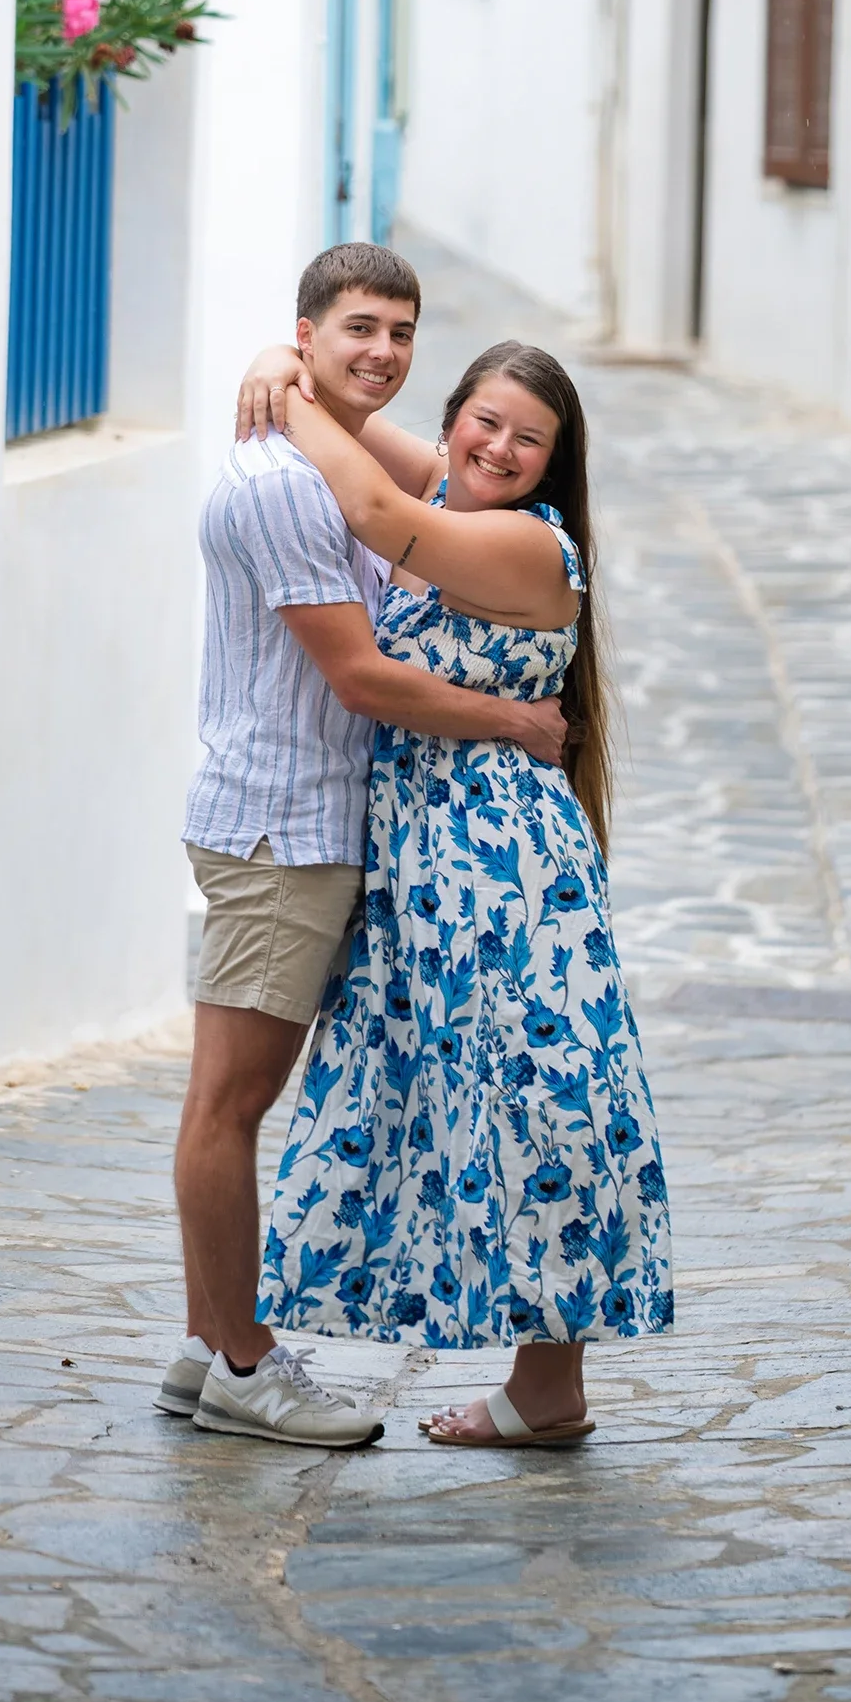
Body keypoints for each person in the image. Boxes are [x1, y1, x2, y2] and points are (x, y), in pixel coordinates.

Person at [160, 247, 568, 1448]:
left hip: (297, 822)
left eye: (400, 332)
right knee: (232, 1105)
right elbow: (358, 672)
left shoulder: (328, 465)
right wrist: (514, 721)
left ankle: (205, 1345)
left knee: (225, 1100)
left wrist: (286, 375)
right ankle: (240, 1362)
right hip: (283, 828)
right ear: (308, 328)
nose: (382, 352)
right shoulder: (290, 488)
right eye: (356, 330)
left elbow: (418, 489)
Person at [238, 334, 672, 1447]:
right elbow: (354, 423)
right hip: (428, 858)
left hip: (500, 860)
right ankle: (544, 1390)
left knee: (541, 1095)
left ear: (555, 462)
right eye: (483, 421)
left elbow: (380, 520)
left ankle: (547, 1385)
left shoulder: (530, 548)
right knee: (465, 1097)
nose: (499, 447)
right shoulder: (452, 481)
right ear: (455, 419)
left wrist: (285, 406)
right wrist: (280, 367)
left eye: (529, 438)